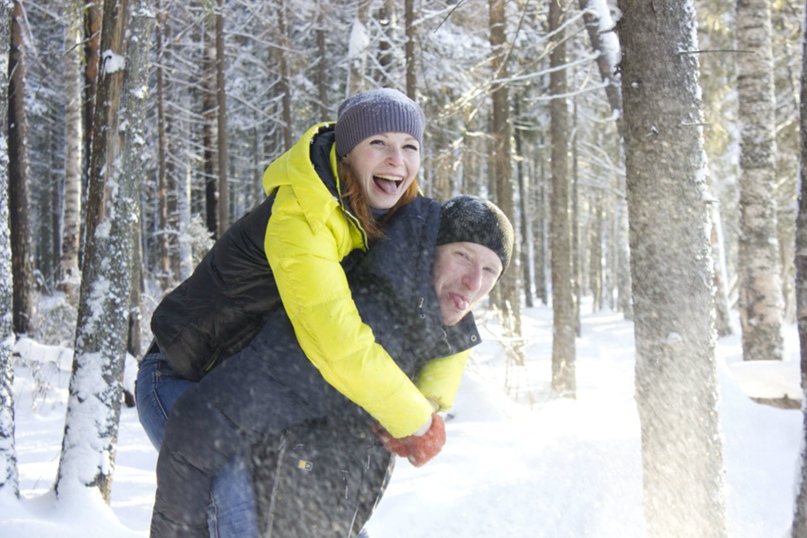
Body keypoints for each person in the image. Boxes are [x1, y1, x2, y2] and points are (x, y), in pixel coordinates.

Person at [148, 195, 515, 537]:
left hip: (241, 413)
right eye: (463, 256)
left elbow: (339, 465)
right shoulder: (358, 323)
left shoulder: (423, 334)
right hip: (184, 384)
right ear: (430, 250)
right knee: (239, 508)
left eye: (491, 270)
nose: (474, 281)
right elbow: (199, 424)